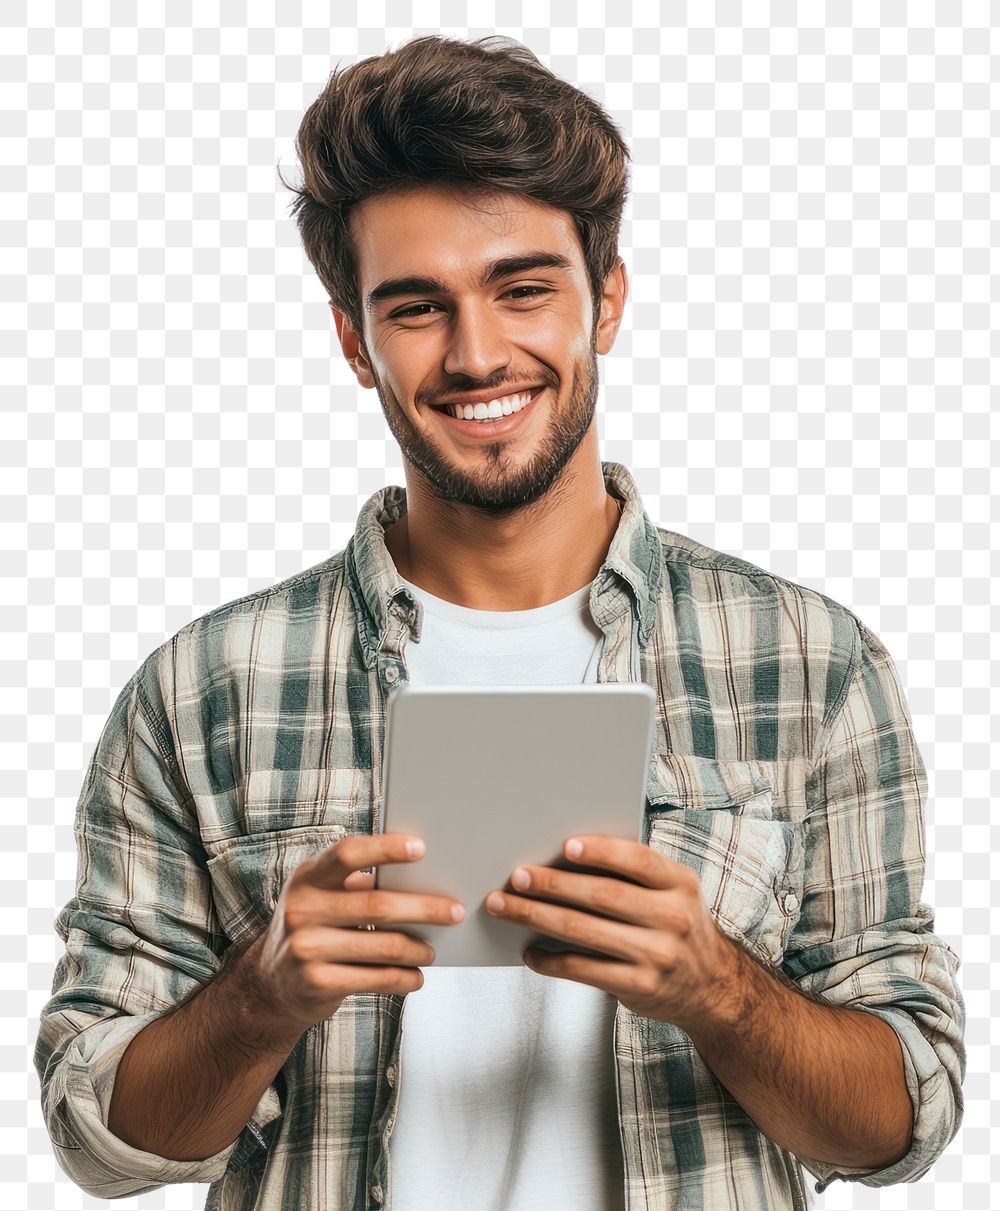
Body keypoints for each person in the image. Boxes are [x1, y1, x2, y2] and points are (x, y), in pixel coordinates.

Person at [34, 33, 965, 1211]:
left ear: (606, 300)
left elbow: (906, 1116)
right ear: (352, 342)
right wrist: (263, 989)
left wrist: (717, 987)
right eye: (416, 307)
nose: (477, 355)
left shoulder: (810, 663)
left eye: (523, 288)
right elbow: (97, 1137)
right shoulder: (203, 687)